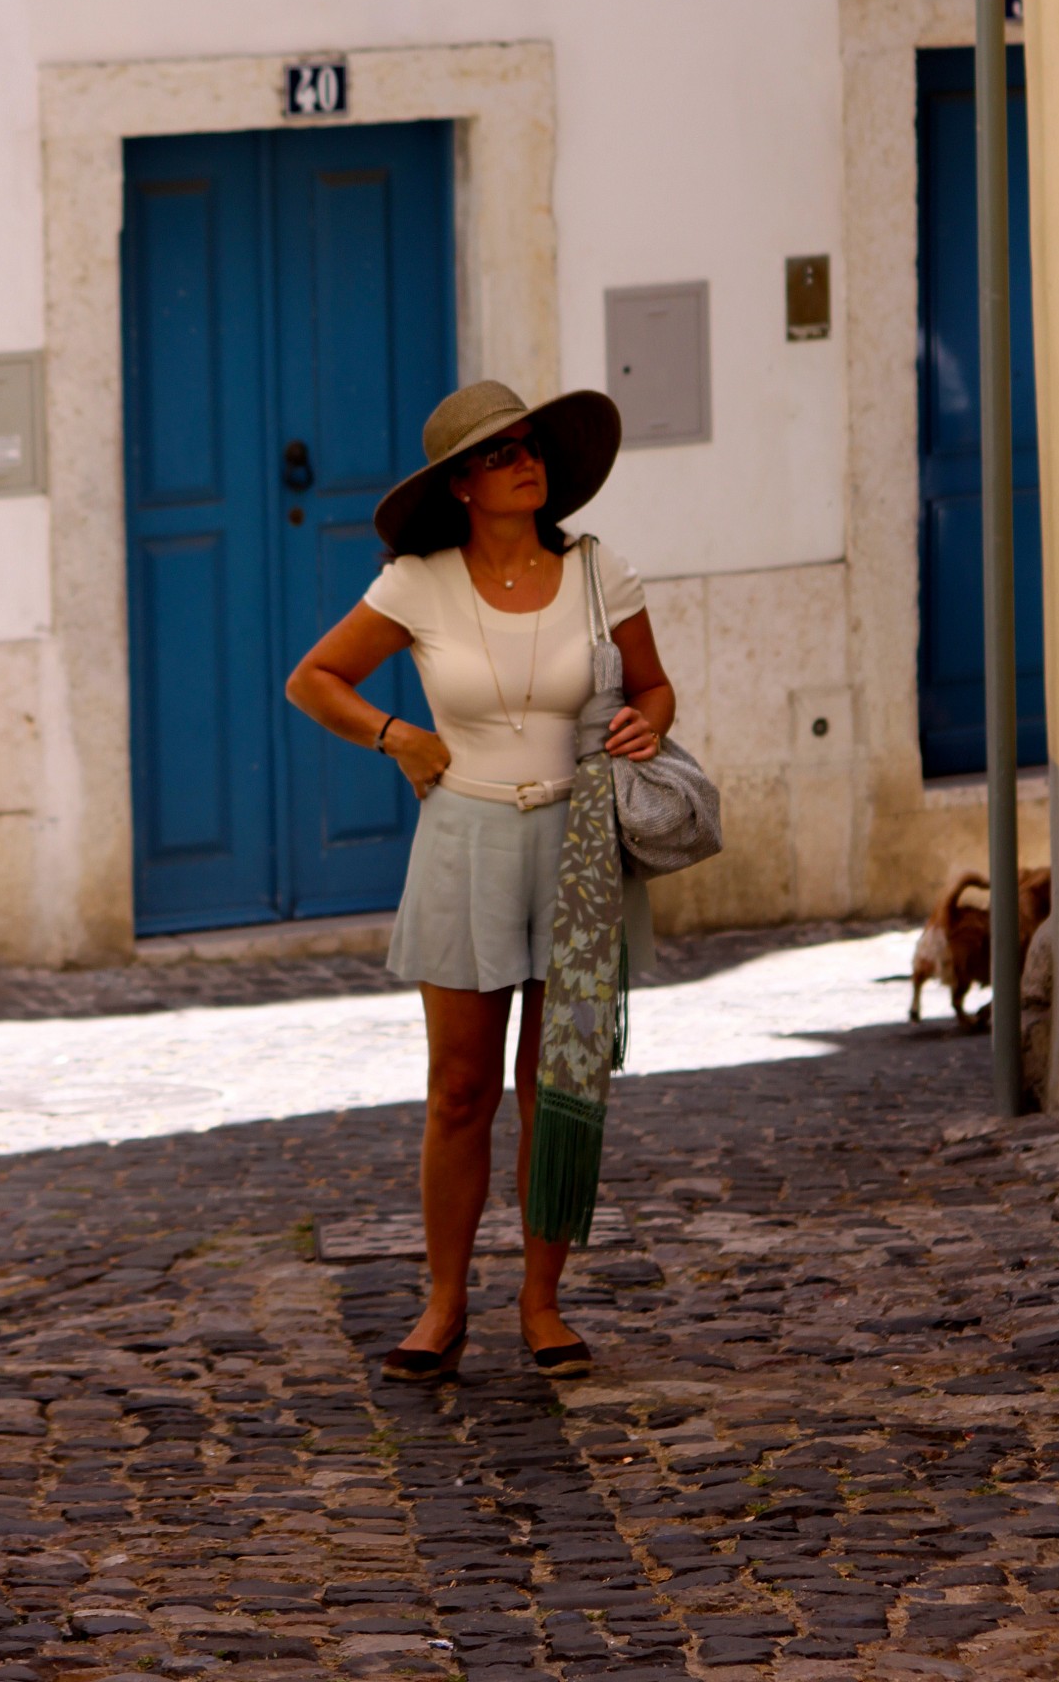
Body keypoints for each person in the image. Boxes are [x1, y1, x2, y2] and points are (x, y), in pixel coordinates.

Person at [286, 380, 674, 1381]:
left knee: (561, 1085)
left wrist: (649, 721)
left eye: (529, 446)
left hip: (581, 846)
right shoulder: (417, 583)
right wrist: (397, 736)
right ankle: (444, 1304)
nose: (523, 463)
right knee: (460, 1091)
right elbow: (313, 679)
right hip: (464, 843)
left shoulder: (600, 572)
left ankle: (542, 1304)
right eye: (499, 454)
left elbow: (652, 685)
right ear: (460, 484)